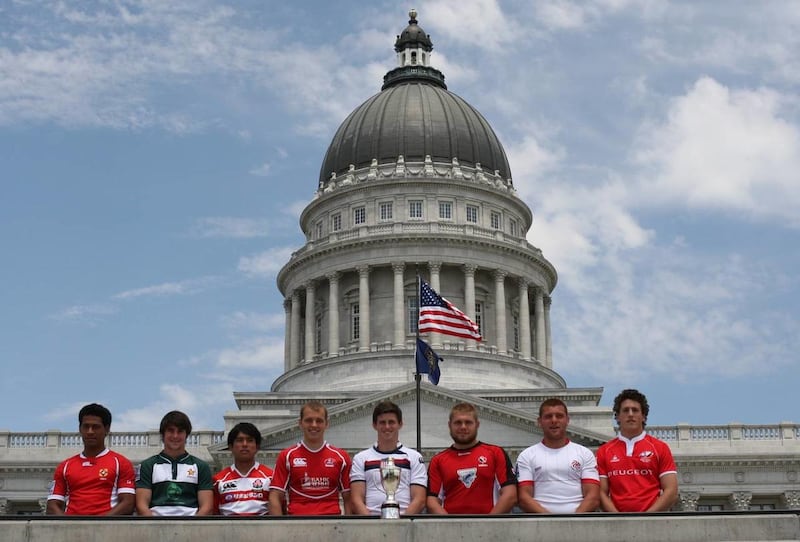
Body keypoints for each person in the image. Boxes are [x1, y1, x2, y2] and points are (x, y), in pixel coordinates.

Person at [596, 389, 678, 512]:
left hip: (652, 523)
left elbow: (671, 491)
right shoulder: (604, 451)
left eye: (635, 410)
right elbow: (600, 492)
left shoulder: (659, 448)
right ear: (617, 417)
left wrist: (647, 518)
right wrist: (617, 518)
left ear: (643, 417)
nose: (630, 414)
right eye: (625, 410)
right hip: (617, 524)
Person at [426, 402, 517, 514]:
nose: (463, 427)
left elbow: (510, 495)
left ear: (477, 424)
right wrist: (450, 526)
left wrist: (486, 524)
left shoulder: (495, 453)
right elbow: (432, 501)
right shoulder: (438, 460)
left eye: (468, 422)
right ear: (449, 425)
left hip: (490, 528)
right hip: (452, 529)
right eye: (458, 423)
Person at [46, 403, 136, 515]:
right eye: (86, 426)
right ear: (80, 429)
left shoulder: (121, 463)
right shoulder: (64, 466)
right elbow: (52, 505)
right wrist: (68, 525)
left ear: (107, 429)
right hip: (71, 528)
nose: (90, 432)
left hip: (107, 528)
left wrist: (97, 525)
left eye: (95, 427)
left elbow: (128, 503)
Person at [515, 398, 599, 513]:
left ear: (567, 420)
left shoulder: (584, 453)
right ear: (539, 421)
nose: (554, 420)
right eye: (548, 416)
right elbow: (524, 497)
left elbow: (593, 496)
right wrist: (551, 521)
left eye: (559, 416)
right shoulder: (526, 455)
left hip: (579, 523)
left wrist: (572, 521)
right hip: (540, 524)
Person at [268, 401, 352, 515]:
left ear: (327, 424)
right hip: (297, 522)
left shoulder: (341, 457)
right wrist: (279, 529)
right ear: (300, 423)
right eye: (308, 420)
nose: (314, 425)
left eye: (319, 421)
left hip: (332, 523)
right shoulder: (287, 456)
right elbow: (275, 496)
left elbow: (349, 498)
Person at [350, 401, 427, 515]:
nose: (387, 427)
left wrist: (401, 524)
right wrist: (373, 525)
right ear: (374, 425)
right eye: (382, 422)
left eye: (391, 422)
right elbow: (356, 500)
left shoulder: (414, 457)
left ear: (400, 424)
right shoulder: (361, 458)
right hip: (372, 524)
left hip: (404, 524)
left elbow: (419, 500)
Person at [135, 410, 214, 516]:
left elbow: (207, 507)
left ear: (186, 435)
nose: (175, 436)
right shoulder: (148, 465)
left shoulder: (201, 466)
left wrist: (190, 528)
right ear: (163, 434)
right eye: (171, 431)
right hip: (156, 527)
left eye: (180, 431)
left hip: (191, 527)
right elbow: (141, 506)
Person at [213, 422, 273, 516]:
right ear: (230, 447)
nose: (245, 444)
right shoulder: (218, 480)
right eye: (240, 440)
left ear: (257, 447)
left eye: (250, 440)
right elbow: (213, 514)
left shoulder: (270, 477)